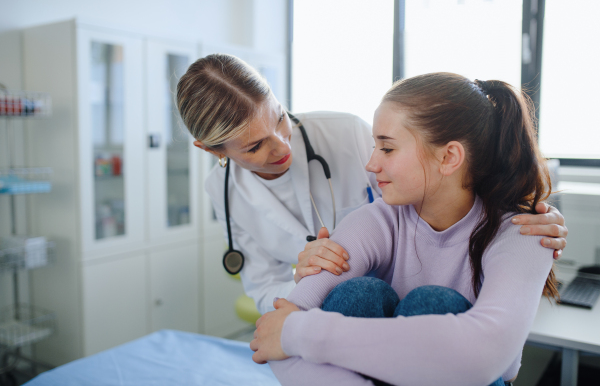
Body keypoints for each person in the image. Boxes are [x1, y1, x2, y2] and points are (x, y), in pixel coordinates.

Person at [176, 54, 567, 314]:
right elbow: (261, 286)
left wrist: (519, 213)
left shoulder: (345, 131)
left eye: (279, 118)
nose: (282, 145)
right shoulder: (223, 192)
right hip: (334, 311)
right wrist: (302, 278)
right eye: (255, 145)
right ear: (212, 150)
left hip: (405, 297)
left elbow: (438, 183)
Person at [250, 73, 560, 386]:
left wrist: (301, 332)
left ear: (448, 157)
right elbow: (273, 333)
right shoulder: (376, 220)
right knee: (358, 295)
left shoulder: (526, 233)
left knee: (433, 305)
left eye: (387, 149)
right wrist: (290, 331)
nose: (371, 164)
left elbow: (485, 356)